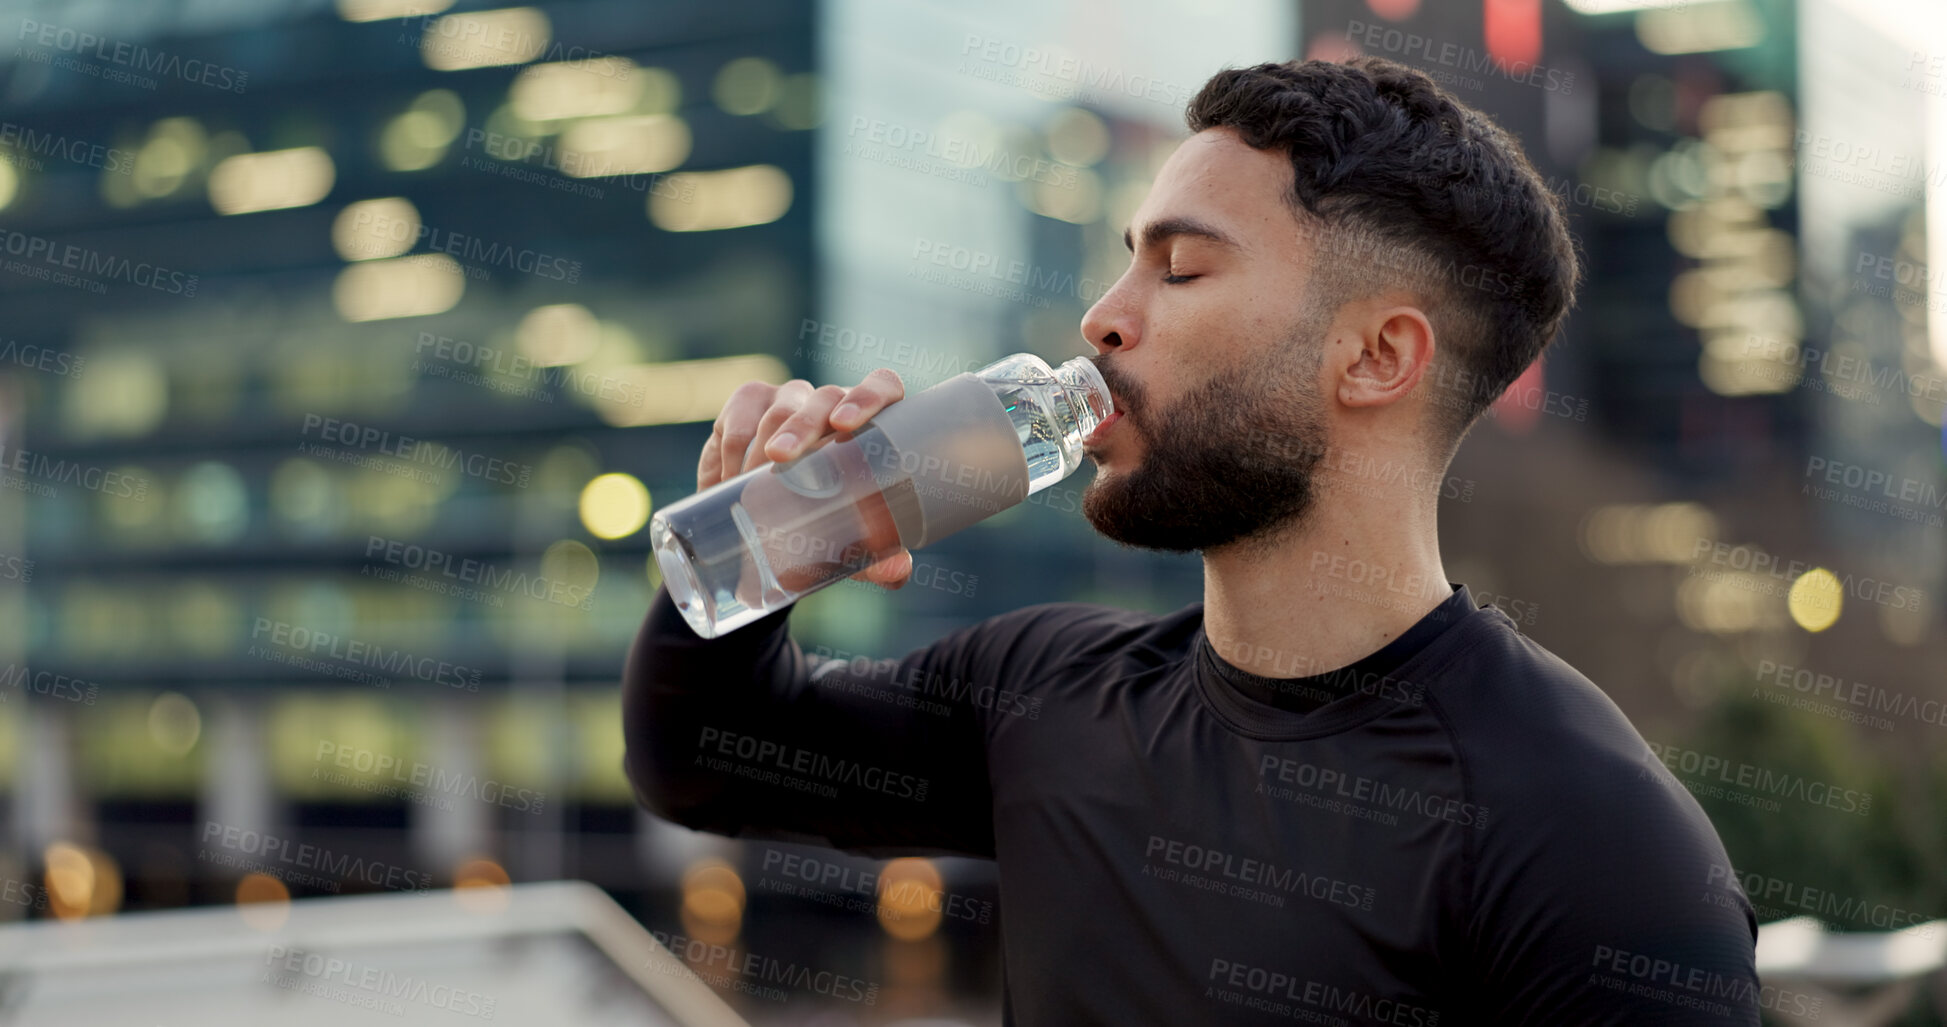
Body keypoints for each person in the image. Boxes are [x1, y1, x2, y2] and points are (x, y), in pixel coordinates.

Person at [623, 56, 1761, 1025]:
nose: (1102, 317)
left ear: (1375, 357)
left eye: (1180, 268)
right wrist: (765, 542)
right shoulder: (1042, 689)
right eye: (1125, 259)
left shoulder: (1592, 844)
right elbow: (705, 759)